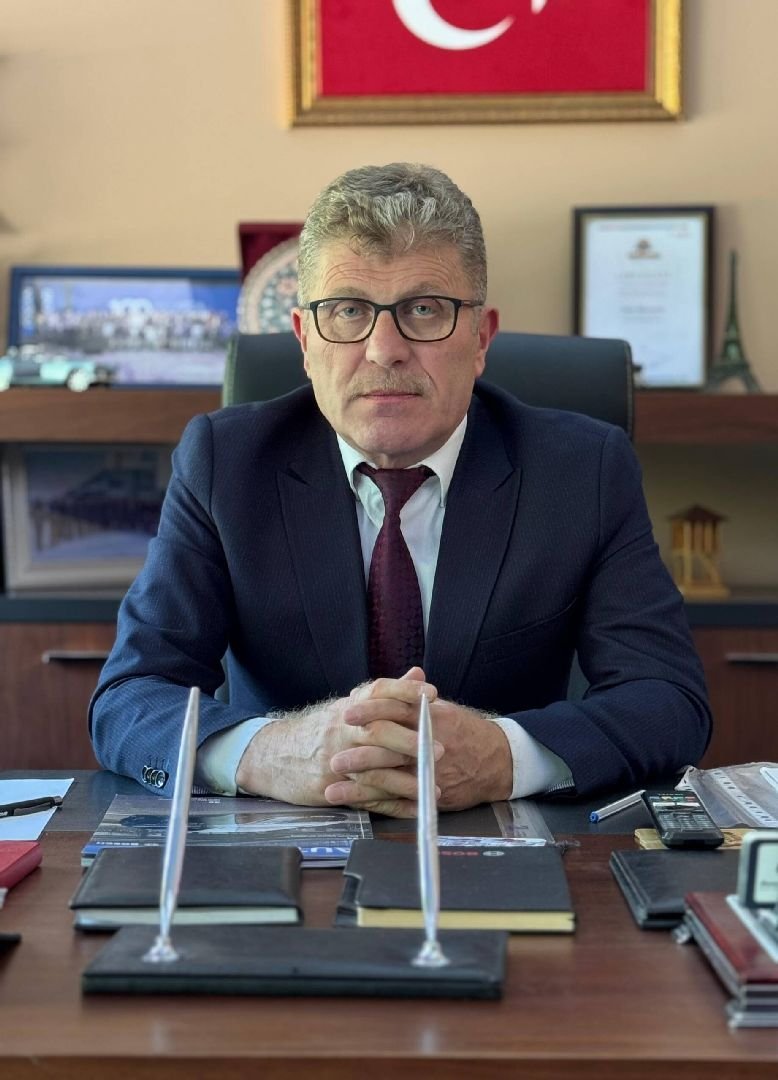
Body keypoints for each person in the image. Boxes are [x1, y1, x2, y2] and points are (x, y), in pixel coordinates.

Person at [89, 162, 711, 818]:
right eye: (348, 310)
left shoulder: (582, 470)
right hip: (283, 836)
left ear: (481, 338)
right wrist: (273, 752)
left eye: (423, 309)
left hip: (499, 836)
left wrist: (504, 755)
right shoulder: (226, 462)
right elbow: (131, 697)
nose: (384, 349)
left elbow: (668, 700)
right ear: (304, 339)